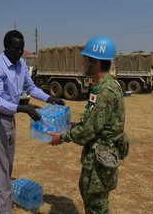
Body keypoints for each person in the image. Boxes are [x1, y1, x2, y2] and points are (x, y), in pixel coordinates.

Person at [0, 30, 65, 214]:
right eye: (16, 49)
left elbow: (31, 87)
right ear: (6, 47)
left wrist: (50, 99)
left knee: (8, 162)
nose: (20, 53)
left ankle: (1, 195)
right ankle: (3, 209)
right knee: (1, 164)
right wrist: (23, 109)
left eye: (22, 49)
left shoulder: (20, 62)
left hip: (9, 117)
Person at [48, 36, 126, 214]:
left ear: (95, 62)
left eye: (85, 59)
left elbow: (89, 131)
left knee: (96, 204)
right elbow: (97, 123)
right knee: (92, 198)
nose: (83, 63)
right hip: (100, 155)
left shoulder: (105, 91)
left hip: (100, 159)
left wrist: (61, 137)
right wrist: (77, 124)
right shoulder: (108, 85)